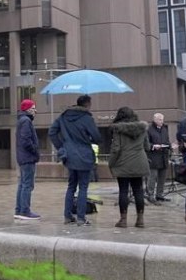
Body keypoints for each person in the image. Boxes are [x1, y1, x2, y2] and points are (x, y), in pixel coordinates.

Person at [48, 94, 102, 226]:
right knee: (83, 187)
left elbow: (52, 132)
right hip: (84, 156)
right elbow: (97, 137)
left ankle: (67, 216)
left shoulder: (63, 116)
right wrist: (88, 139)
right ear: (87, 104)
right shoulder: (87, 118)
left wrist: (62, 146)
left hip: (69, 156)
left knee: (71, 186)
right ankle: (81, 218)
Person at [108, 106, 148, 228]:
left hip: (123, 163)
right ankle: (140, 220)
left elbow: (116, 149)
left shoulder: (118, 130)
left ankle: (123, 220)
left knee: (123, 190)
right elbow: (147, 146)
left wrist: (111, 163)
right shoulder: (142, 129)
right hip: (139, 161)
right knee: (138, 190)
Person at [13, 99, 40, 220]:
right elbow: (26, 140)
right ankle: (25, 211)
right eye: (34, 108)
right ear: (28, 109)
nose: (36, 111)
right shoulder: (26, 121)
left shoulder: (21, 120)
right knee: (27, 185)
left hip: (23, 157)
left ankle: (19, 210)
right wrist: (35, 150)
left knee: (22, 184)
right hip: (28, 157)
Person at [145, 112, 171, 203]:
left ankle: (159, 195)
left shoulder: (164, 129)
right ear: (155, 120)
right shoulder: (149, 129)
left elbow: (167, 141)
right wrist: (153, 146)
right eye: (160, 120)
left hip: (163, 157)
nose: (161, 121)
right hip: (153, 157)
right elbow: (146, 143)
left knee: (162, 178)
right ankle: (150, 195)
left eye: (162, 120)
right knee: (152, 177)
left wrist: (170, 146)